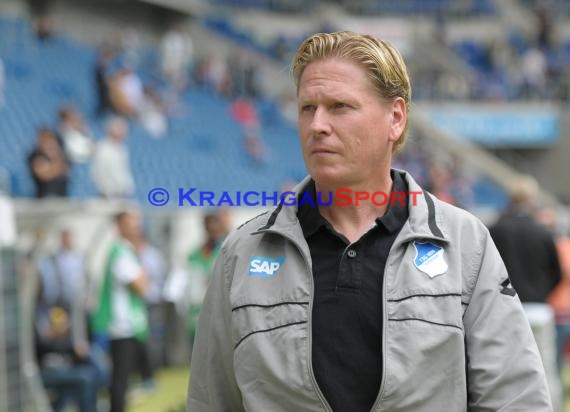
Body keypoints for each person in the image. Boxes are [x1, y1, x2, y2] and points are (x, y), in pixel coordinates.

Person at [186, 31, 552, 411]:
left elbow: (515, 399)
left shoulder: (464, 244)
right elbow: (210, 401)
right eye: (307, 108)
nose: (318, 125)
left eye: (340, 106)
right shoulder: (242, 254)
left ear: (395, 118)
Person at [90, 210, 149, 412]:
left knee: (123, 379)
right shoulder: (120, 252)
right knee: (120, 379)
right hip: (121, 325)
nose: (136, 227)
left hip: (127, 325)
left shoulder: (125, 251)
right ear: (120, 225)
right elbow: (141, 286)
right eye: (131, 223)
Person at [91, 116, 135, 199]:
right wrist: (107, 191)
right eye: (120, 129)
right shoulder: (102, 149)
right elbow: (99, 173)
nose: (124, 132)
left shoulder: (122, 149)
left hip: (122, 195)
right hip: (108, 195)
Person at [28, 127, 69, 198]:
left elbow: (64, 169)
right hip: (44, 198)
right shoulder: (35, 155)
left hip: (61, 198)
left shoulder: (62, 154)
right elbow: (44, 175)